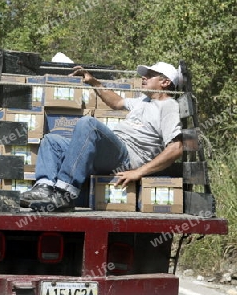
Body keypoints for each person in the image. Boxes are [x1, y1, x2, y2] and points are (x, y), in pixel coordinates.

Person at [20, 62, 183, 212]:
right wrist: (94, 82)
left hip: (126, 157)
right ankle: (44, 188)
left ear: (165, 82)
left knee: (88, 124)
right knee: (52, 140)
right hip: (111, 152)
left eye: (150, 74)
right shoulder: (143, 101)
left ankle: (65, 194)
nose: (144, 77)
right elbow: (116, 102)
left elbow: (176, 149)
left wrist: (139, 172)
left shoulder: (169, 107)